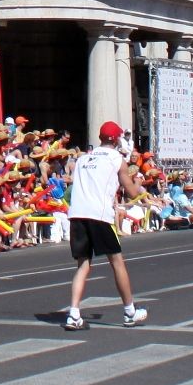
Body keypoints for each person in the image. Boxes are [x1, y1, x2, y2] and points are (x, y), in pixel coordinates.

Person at [61, 121, 150, 331]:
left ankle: (73, 314)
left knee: (83, 265)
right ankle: (130, 312)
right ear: (114, 138)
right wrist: (138, 182)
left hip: (78, 214)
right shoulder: (116, 159)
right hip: (99, 215)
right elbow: (132, 192)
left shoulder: (82, 159)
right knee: (117, 262)